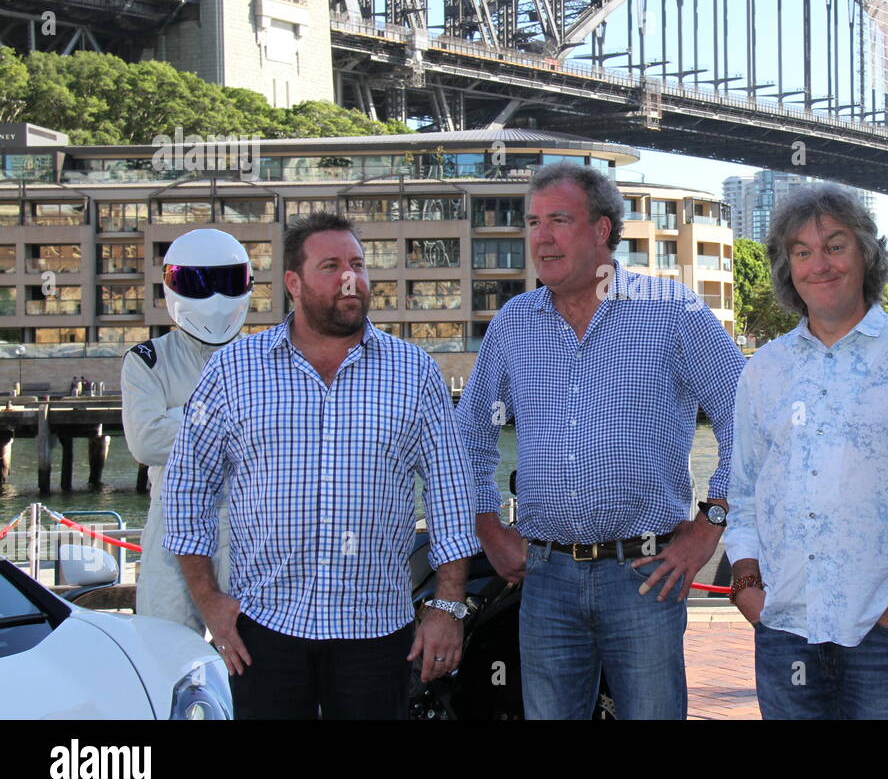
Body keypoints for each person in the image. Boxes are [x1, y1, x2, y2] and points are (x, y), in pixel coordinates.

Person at [456, 163, 746, 720]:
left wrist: (709, 526)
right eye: (534, 222)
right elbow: (471, 435)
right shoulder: (514, 323)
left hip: (645, 576)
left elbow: (747, 420)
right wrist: (488, 525)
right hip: (544, 579)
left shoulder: (673, 313)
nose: (541, 237)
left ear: (602, 230)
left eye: (559, 220)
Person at [163, 212, 478, 719]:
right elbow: (186, 490)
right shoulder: (233, 371)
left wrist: (447, 607)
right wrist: (209, 602)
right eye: (331, 266)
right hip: (264, 631)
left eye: (357, 264)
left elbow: (451, 494)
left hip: (377, 634)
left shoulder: (414, 373)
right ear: (294, 282)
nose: (350, 278)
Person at [725, 184, 888, 720]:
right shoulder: (763, 370)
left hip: (882, 632)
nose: (819, 264)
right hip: (784, 630)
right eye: (802, 251)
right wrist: (747, 586)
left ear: (866, 254)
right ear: (787, 268)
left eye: (835, 245)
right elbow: (744, 492)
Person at [122, 228, 248, 634]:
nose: (213, 296)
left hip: (250, 517)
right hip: (172, 519)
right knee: (166, 644)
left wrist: (182, 416)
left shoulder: (263, 358)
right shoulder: (148, 360)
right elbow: (145, 441)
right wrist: (236, 424)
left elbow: (284, 439)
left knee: (256, 650)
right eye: (197, 282)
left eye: (225, 282)